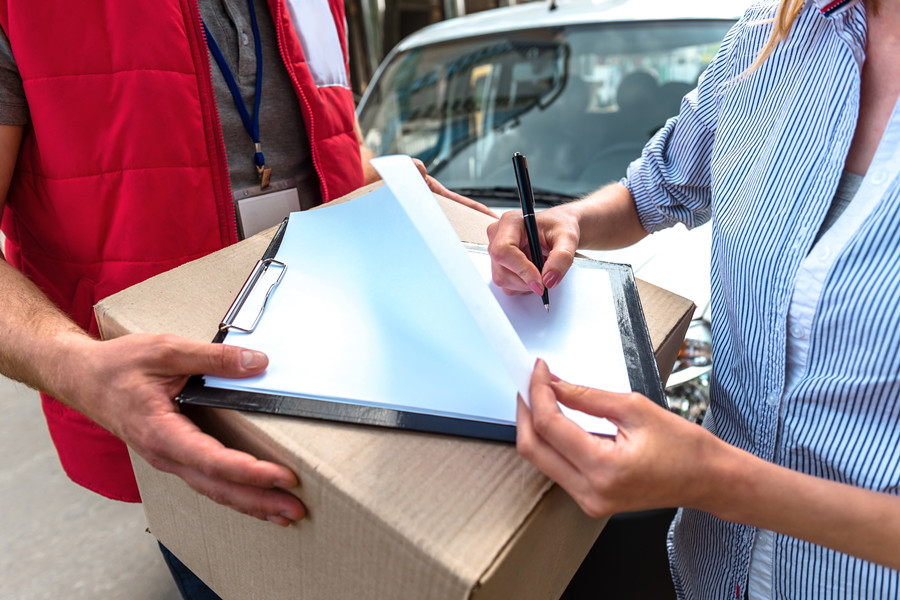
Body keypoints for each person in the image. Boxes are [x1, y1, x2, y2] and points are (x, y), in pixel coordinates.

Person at [0, 0, 489, 597]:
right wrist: (77, 367)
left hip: (358, 377)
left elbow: (314, 146)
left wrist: (378, 179)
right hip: (196, 421)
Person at [487, 0, 900, 597]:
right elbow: (649, 191)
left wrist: (715, 479)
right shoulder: (771, 39)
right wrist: (567, 220)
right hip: (705, 574)